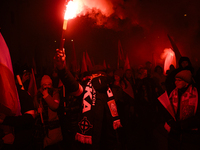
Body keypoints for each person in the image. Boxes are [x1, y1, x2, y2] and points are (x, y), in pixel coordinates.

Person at [54, 49, 122, 150]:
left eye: (102, 75)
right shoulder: (86, 90)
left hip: (109, 141)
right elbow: (72, 85)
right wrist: (62, 68)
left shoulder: (112, 91)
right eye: (97, 75)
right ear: (91, 77)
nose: (100, 79)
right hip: (90, 143)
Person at [158, 69, 200, 150]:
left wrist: (182, 125)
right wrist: (170, 121)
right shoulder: (173, 93)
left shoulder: (196, 94)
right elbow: (167, 110)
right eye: (175, 80)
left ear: (186, 82)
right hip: (174, 134)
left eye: (179, 80)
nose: (176, 82)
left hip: (190, 135)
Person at [0, 83, 35, 150]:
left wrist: (6, 120)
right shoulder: (3, 96)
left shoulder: (22, 95)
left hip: (20, 140)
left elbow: (29, 118)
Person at [34, 75, 63, 150]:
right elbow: (35, 107)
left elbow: (55, 106)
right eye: (45, 84)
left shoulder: (55, 92)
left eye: (49, 84)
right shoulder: (37, 94)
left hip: (53, 126)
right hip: (42, 127)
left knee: (54, 145)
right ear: (41, 85)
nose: (47, 86)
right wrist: (37, 111)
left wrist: (46, 95)